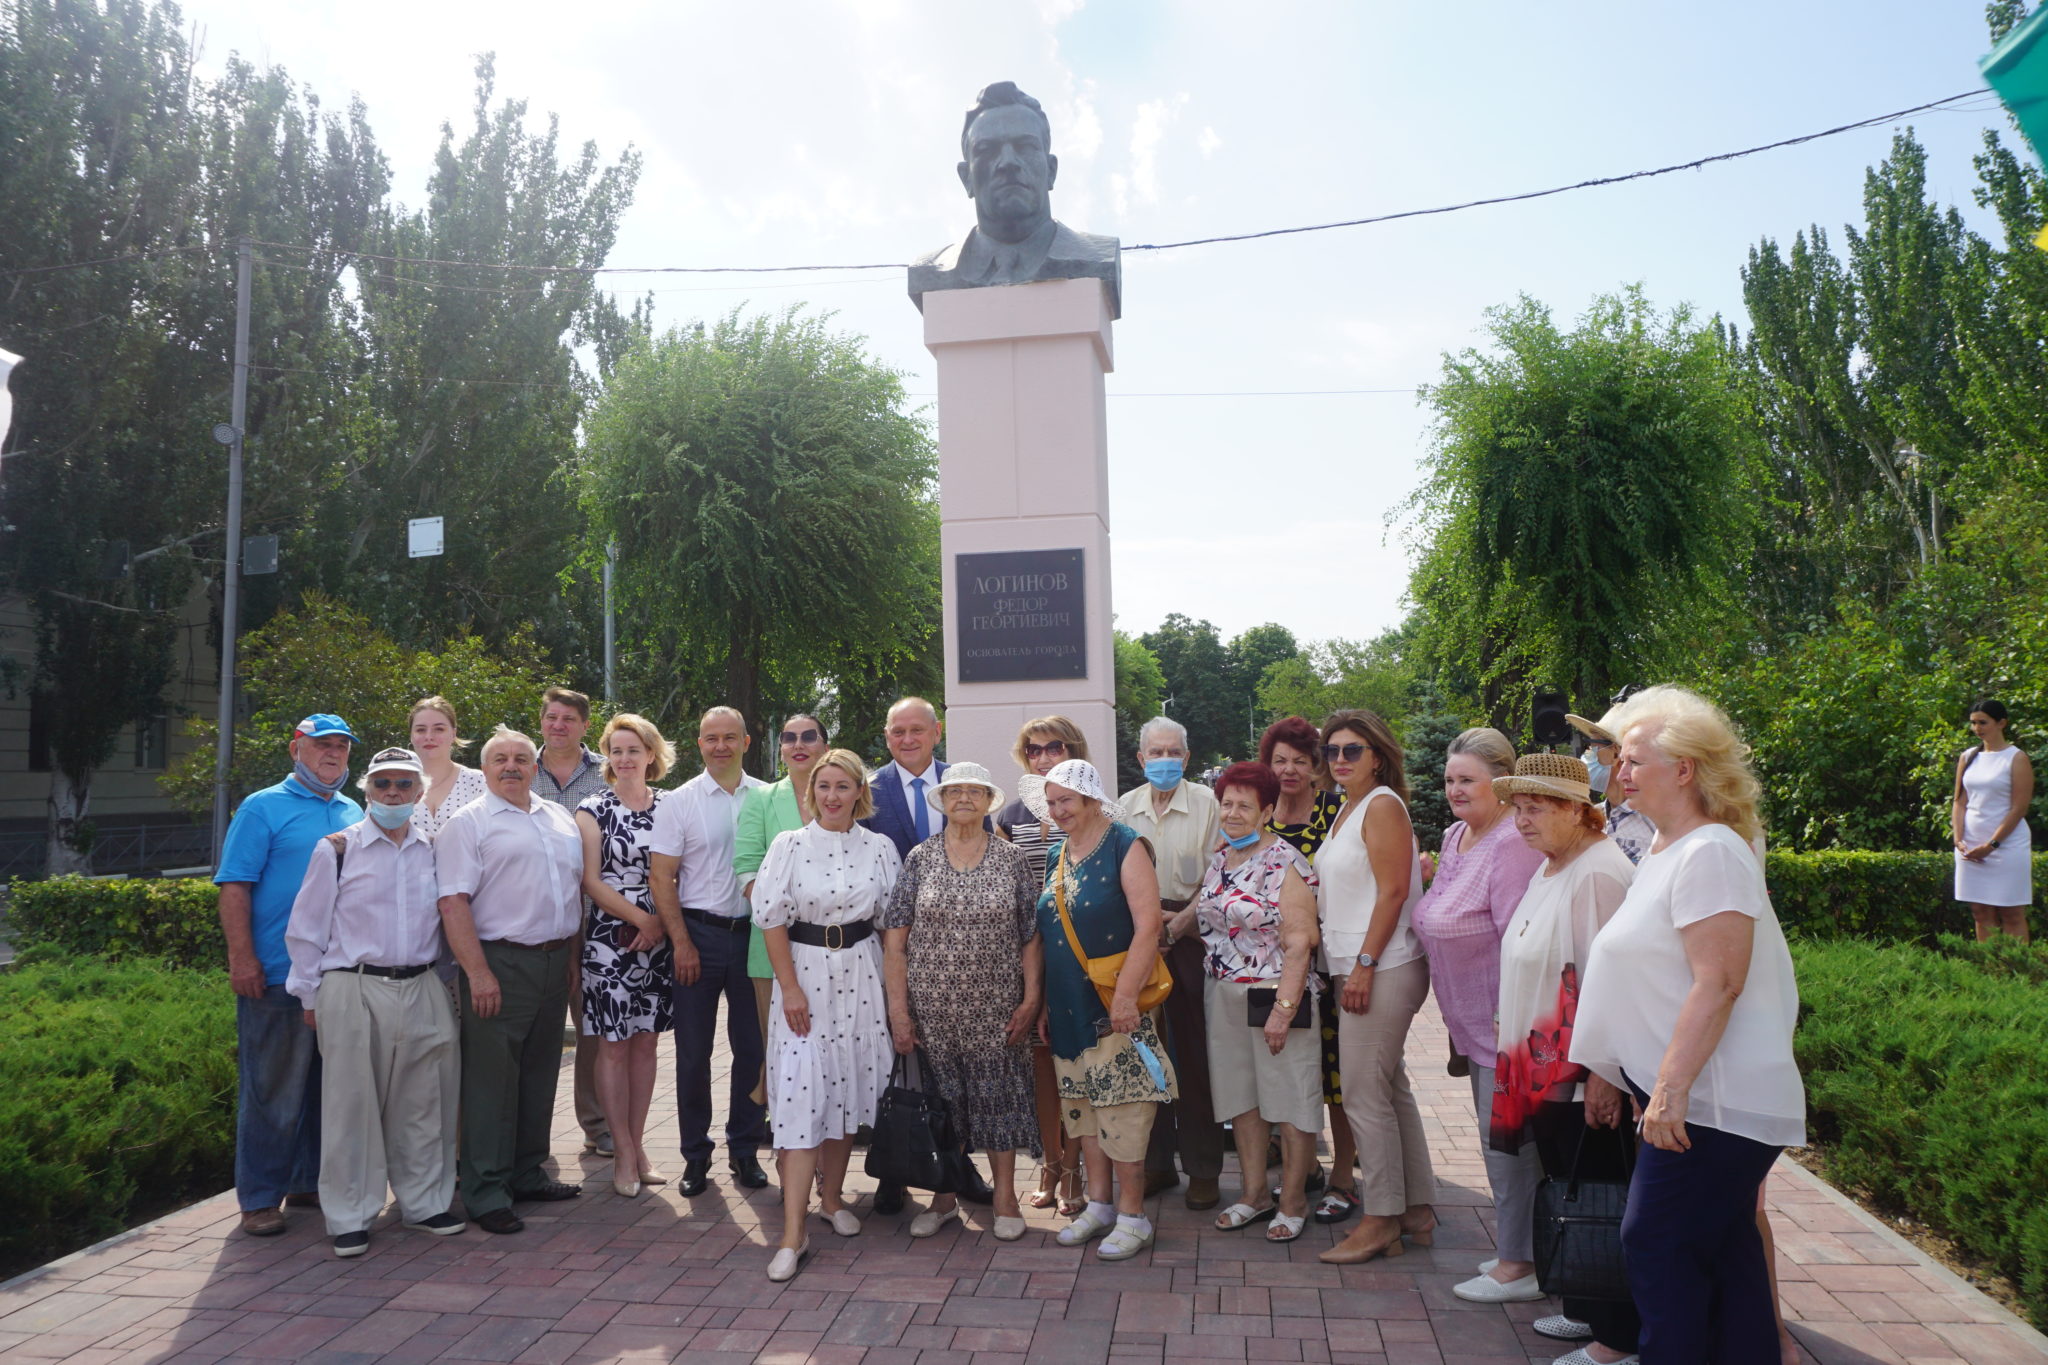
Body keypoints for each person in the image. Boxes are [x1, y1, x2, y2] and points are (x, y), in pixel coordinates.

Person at [1570, 686, 1805, 1363]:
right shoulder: (1673, 847)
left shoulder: (1711, 852)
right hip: (1696, 1100)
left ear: (1686, 769)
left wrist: (1669, 1089)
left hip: (1713, 1104)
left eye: (1635, 759)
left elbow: (1719, 980)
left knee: (1657, 1242)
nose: (1619, 771)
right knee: (1727, 1259)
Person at [1490, 753, 1641, 1363]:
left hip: (1579, 1077)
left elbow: (1610, 981)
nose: (1522, 821)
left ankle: (1617, 1338)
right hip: (1544, 1070)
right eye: (1519, 808)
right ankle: (1585, 1310)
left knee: (1601, 1196)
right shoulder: (1553, 865)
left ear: (1578, 810)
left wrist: (1604, 1074)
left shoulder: (1599, 872)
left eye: (1537, 808)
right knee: (1572, 1193)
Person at [284, 747, 464, 1257]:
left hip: (423, 983)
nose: (393, 793)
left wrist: (445, 981)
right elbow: (305, 929)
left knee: (425, 1102)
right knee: (350, 1106)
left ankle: (425, 1203)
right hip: (352, 986)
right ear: (367, 791)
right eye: (382, 784)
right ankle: (349, 1215)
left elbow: (447, 921)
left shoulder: (432, 848)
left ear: (419, 793)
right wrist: (308, 994)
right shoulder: (337, 849)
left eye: (404, 785)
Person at [753, 750, 902, 1281]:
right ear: (810, 792)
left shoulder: (881, 848)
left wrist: (896, 995)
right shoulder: (788, 846)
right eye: (825, 787)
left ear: (859, 792)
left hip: (862, 976)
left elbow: (891, 926)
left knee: (845, 1087)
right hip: (806, 978)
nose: (833, 796)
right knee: (799, 1096)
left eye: (844, 787)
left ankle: (832, 1198)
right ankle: (793, 1232)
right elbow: (770, 919)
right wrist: (788, 989)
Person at [1411, 727, 1547, 1303]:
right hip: (1467, 1022)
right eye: (1449, 780)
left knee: (1511, 1148)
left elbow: (1523, 937)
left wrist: (1506, 1021)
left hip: (1504, 1024)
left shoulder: (1512, 843)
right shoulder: (1457, 834)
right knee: (1498, 1145)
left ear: (1501, 783)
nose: (1455, 790)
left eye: (1468, 779)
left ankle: (1524, 1265)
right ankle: (1520, 1248)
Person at [1022, 758, 1177, 1261]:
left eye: (1066, 799)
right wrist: (1044, 1001)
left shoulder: (1125, 844)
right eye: (1051, 802)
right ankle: (1101, 1205)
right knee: (1083, 1113)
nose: (1057, 810)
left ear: (1091, 800)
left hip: (1114, 1007)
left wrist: (1129, 998)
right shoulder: (1057, 854)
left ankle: (1134, 1215)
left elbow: (1148, 926)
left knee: (1124, 1110)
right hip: (1067, 1009)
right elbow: (1048, 935)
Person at [880, 762, 1042, 1242]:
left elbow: (1030, 937)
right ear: (943, 801)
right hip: (932, 1012)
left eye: (975, 791)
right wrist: (899, 1011)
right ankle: (945, 1197)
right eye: (956, 791)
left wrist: (1032, 999)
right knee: (943, 1105)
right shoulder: (920, 858)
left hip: (998, 1010)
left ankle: (1006, 1198)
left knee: (1000, 1100)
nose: (965, 799)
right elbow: (895, 942)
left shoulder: (1012, 859)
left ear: (990, 801)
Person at [216, 714, 364, 1237]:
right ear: (295, 749)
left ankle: (306, 1182)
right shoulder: (262, 807)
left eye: (342, 747)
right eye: (322, 746)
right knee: (273, 1090)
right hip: (276, 975)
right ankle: (259, 1199)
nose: (333, 754)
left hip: (337, 975)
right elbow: (234, 886)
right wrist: (243, 958)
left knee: (324, 1089)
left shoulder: (352, 810)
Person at [436, 728, 586, 1235]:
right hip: (498, 962)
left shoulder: (557, 816)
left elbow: (569, 892)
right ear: (486, 768)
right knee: (490, 1084)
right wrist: (477, 973)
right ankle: (485, 1191)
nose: (512, 766)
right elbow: (453, 902)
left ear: (535, 767)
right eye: (500, 759)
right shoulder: (469, 824)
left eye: (522, 758)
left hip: (552, 961)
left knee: (539, 1075)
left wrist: (569, 958)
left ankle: (526, 1172)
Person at [860, 696, 995, 1210]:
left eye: (917, 730)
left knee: (952, 1066)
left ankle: (959, 1166)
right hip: (887, 948)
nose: (908, 739)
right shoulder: (868, 792)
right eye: (898, 732)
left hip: (960, 955)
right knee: (896, 1058)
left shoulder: (962, 787)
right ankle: (893, 1169)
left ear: (936, 732)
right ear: (887, 736)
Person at [1312, 709, 1435, 1265]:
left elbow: (1392, 893)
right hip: (1358, 963)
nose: (1340, 759)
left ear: (1378, 755)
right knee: (1390, 1088)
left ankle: (1381, 1219)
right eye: (1333, 750)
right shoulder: (1347, 807)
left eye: (1352, 750)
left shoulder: (1382, 806)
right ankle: (1416, 1210)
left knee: (1363, 1094)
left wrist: (1362, 964)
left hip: (1381, 966)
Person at [1196, 762, 1322, 1244]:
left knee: (1289, 1101)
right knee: (1242, 1101)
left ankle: (1292, 1200)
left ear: (1266, 811)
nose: (1232, 812)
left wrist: (1284, 1009)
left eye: (1244, 805)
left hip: (1273, 993)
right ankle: (1253, 1193)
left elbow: (1300, 939)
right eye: (1226, 803)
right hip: (1223, 994)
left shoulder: (1284, 862)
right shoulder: (1221, 857)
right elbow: (1207, 908)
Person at [650, 706, 769, 1196]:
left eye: (729, 737)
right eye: (710, 738)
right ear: (698, 744)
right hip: (697, 936)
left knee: (752, 1049)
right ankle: (695, 1155)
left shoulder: (768, 796)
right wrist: (680, 941)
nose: (719, 746)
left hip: (755, 938)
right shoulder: (679, 802)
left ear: (746, 741)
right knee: (693, 1053)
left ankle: (744, 1151)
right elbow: (662, 876)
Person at [1119, 716, 1225, 1210]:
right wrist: (1146, 930)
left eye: (1173, 752)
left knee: (1195, 1055)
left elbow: (1219, 874)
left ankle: (1203, 1167)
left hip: (1191, 938)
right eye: (1154, 753)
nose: (1164, 760)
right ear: (1141, 759)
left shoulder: (1208, 804)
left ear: (1187, 758)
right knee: (1146, 1055)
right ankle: (1157, 1163)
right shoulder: (1124, 808)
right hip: (1140, 940)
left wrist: (1178, 924)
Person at [573, 714, 677, 1200]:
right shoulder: (594, 808)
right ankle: (620, 1152)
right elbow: (591, 881)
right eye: (616, 751)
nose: (624, 759)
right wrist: (642, 919)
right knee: (612, 1044)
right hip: (610, 940)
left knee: (646, 1044)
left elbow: (681, 873)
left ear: (651, 755)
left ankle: (639, 1148)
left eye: (633, 750)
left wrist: (659, 925)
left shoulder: (671, 808)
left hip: (657, 943)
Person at [1259, 715, 1356, 1224]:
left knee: (1337, 1069)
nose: (1289, 769)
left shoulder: (1334, 811)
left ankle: (1343, 1174)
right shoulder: (1261, 813)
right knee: (1293, 1069)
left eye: (1300, 760)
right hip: (1276, 965)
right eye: (1279, 760)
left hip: (1330, 959)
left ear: (1315, 764)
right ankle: (1304, 1169)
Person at [994, 714, 1091, 1217]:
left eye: (1055, 747)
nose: (1045, 756)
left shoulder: (1095, 810)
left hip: (1078, 958)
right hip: (1028, 958)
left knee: (1075, 1065)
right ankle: (1051, 1163)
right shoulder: (1009, 815)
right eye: (1034, 750)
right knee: (1040, 1069)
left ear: (1074, 750)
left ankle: (1075, 1169)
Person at [734, 714, 830, 1120]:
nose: (798, 744)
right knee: (783, 1044)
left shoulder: (840, 792)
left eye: (809, 736)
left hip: (833, 944)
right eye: (789, 738)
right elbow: (746, 866)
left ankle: (829, 1127)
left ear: (825, 745)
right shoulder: (760, 799)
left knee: (827, 1042)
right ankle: (784, 1131)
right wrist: (781, 916)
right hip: (773, 944)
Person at [533, 686, 613, 1160]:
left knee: (594, 1035)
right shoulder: (519, 767)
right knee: (540, 1037)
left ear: (585, 727)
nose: (558, 725)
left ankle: (596, 1124)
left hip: (596, 925)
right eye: (551, 717)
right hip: (538, 929)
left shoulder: (604, 774)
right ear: (541, 721)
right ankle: (531, 1135)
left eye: (569, 719)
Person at [1952, 698, 2034, 943]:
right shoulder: (1968, 757)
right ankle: (1990, 974)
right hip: (1970, 845)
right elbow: (1959, 802)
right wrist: (1958, 840)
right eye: (1973, 723)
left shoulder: (2016, 758)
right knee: (1980, 912)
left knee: (2012, 913)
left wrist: (1991, 845)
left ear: (2002, 723)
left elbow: (2019, 808)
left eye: (1983, 722)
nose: (1977, 728)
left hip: (2006, 846)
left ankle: (2017, 974)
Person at [1568, 712, 1654, 865]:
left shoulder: (1653, 819)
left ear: (1616, 753)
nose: (1587, 754)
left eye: (1593, 746)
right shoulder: (1590, 818)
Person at [407, 696, 486, 840]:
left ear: (453, 733)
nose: (429, 736)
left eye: (439, 729)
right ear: (411, 735)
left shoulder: (478, 782)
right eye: (420, 730)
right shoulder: (391, 783)